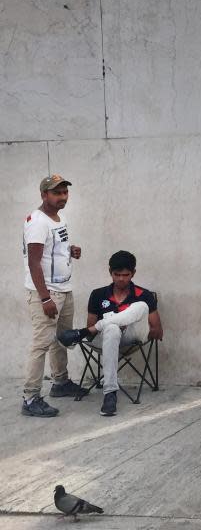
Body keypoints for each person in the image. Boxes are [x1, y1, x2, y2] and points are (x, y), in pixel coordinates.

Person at [58, 251, 162, 416]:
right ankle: (110, 393)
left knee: (141, 306)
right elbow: (91, 330)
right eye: (117, 274)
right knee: (112, 329)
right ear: (110, 273)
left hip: (132, 338)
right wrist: (114, 323)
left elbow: (156, 330)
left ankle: (84, 332)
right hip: (105, 340)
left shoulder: (144, 294)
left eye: (126, 275)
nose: (121, 279)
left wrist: (127, 322)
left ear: (133, 273)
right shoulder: (98, 294)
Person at [22, 174, 89, 417]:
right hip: (48, 293)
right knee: (41, 344)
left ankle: (60, 382)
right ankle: (30, 398)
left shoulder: (59, 217)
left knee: (61, 338)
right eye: (57, 193)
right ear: (44, 195)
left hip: (63, 288)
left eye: (65, 192)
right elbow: (33, 262)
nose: (63, 197)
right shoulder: (38, 221)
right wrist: (45, 298)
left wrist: (70, 250)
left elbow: (54, 249)